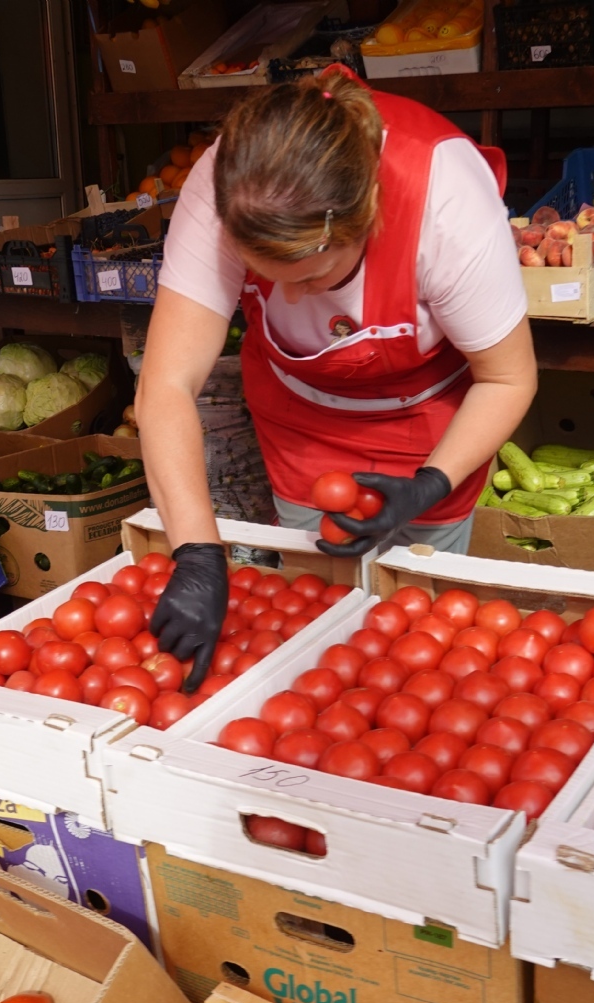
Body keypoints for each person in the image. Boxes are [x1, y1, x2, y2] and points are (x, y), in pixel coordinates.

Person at [138, 68, 538, 689]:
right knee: (323, 627)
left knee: (425, 640)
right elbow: (164, 387)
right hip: (303, 428)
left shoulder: (444, 196)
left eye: (313, 280)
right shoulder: (224, 189)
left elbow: (509, 379)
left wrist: (432, 482)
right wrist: (196, 553)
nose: (291, 296)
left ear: (365, 221)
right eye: (265, 277)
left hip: (431, 425)